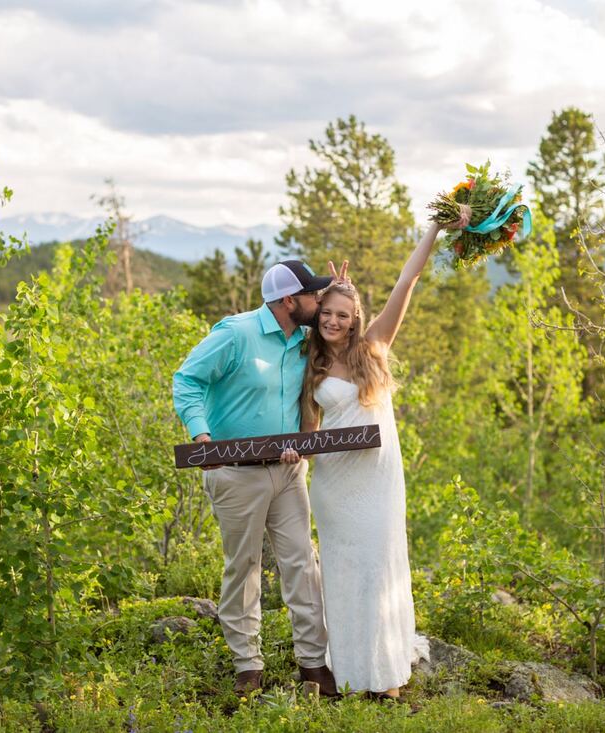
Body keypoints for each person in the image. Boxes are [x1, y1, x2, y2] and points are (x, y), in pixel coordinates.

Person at [281, 213, 469, 699]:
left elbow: (408, 281)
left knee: (378, 566)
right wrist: (294, 452)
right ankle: (349, 671)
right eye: (327, 313)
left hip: (378, 482)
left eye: (343, 315)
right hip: (334, 485)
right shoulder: (310, 363)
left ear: (356, 319)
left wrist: (437, 228)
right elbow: (308, 429)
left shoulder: (375, 348)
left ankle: (384, 675)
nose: (333, 321)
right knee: (344, 571)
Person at [172, 260, 339, 696]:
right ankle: (248, 665)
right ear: (288, 301)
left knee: (301, 564)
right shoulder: (235, 334)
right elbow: (186, 380)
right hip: (234, 475)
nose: (318, 301)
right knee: (243, 567)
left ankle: (313, 663)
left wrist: (347, 294)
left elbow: (349, 332)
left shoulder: (304, 339)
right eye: (312, 295)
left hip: (288, 472)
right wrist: (202, 436)